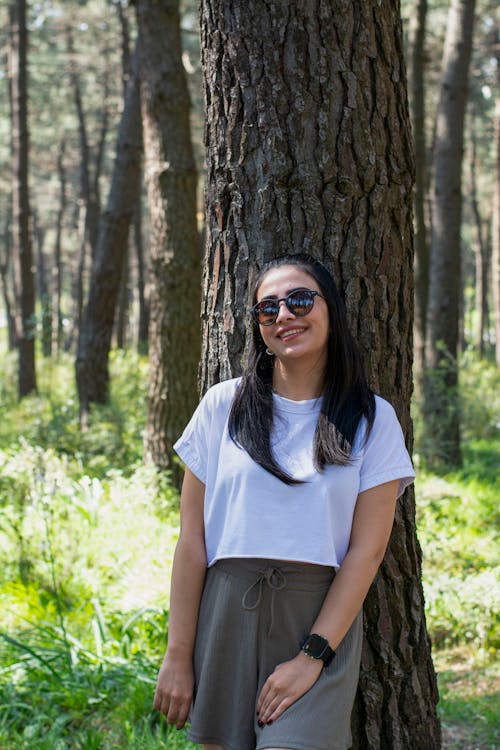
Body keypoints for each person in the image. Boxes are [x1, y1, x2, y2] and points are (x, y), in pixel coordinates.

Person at [153, 253, 415, 750]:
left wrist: (311, 656)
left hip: (316, 617)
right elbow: (192, 542)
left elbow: (367, 552)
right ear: (257, 327)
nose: (284, 315)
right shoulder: (221, 406)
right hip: (226, 610)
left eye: (299, 300)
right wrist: (178, 654)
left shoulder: (371, 418)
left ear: (330, 310)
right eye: (267, 308)